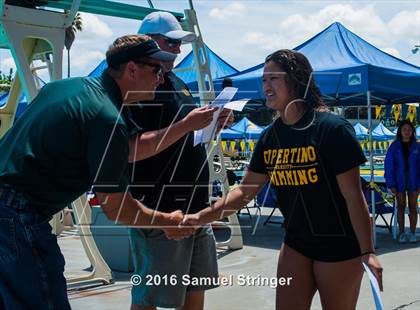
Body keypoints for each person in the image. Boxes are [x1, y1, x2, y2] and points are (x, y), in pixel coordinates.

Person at [0, 34, 195, 310]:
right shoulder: (106, 117)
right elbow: (116, 208)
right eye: (156, 70)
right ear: (131, 69)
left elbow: (122, 150)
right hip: (16, 218)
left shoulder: (66, 88)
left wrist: (185, 126)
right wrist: (166, 221)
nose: (162, 78)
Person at [183, 49, 383, 310]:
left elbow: (353, 196)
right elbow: (244, 192)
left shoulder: (333, 129)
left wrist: (367, 251)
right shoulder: (270, 137)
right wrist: (201, 217)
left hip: (339, 245)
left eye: (273, 79)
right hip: (296, 242)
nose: (265, 86)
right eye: (264, 80)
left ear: (296, 80)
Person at [127, 11, 233, 310]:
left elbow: (186, 135)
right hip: (160, 210)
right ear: (147, 41)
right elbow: (131, 148)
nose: (177, 49)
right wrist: (188, 124)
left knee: (195, 290)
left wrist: (213, 123)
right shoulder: (137, 86)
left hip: (196, 208)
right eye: (170, 43)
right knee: (149, 298)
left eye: (179, 44)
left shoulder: (176, 82)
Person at [385, 120, 419, 243]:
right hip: (399, 180)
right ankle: (402, 233)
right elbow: (389, 166)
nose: (407, 131)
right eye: (404, 129)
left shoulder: (417, 146)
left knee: (413, 207)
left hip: (414, 180)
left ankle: (413, 233)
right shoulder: (394, 147)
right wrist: (391, 184)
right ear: (400, 131)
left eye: (409, 129)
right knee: (400, 206)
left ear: (412, 132)